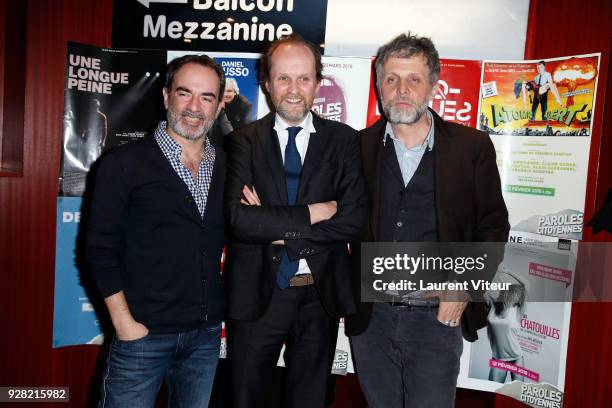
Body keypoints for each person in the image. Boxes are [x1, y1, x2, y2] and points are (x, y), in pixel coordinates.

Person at [346, 33, 510, 407]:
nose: (402, 89)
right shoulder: (358, 147)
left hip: (436, 320)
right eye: (391, 79)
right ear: (378, 86)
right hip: (372, 320)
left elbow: (493, 227)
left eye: (414, 79)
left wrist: (464, 285)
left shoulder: (471, 148)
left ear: (433, 87)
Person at [224, 33, 367, 408]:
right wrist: (315, 213)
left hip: (319, 298)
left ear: (317, 83)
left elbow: (352, 220)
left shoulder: (345, 141)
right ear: (267, 84)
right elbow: (239, 220)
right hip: (257, 295)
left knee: (310, 400)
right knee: (245, 398)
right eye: (283, 78)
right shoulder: (242, 141)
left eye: (303, 78)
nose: (293, 89)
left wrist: (272, 225)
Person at [86, 54, 227, 408]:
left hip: (205, 336)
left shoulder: (227, 165)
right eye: (184, 93)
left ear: (219, 105)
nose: (194, 107)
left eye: (207, 97)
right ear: (166, 96)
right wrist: (124, 325)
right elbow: (98, 249)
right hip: (141, 336)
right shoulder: (123, 163)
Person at [484, 266, 527, 383]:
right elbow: (481, 287)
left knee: (518, 396)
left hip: (517, 358)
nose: (519, 297)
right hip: (499, 359)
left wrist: (508, 271)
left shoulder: (518, 309)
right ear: (509, 294)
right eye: (517, 294)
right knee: (491, 391)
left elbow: (525, 285)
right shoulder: (492, 306)